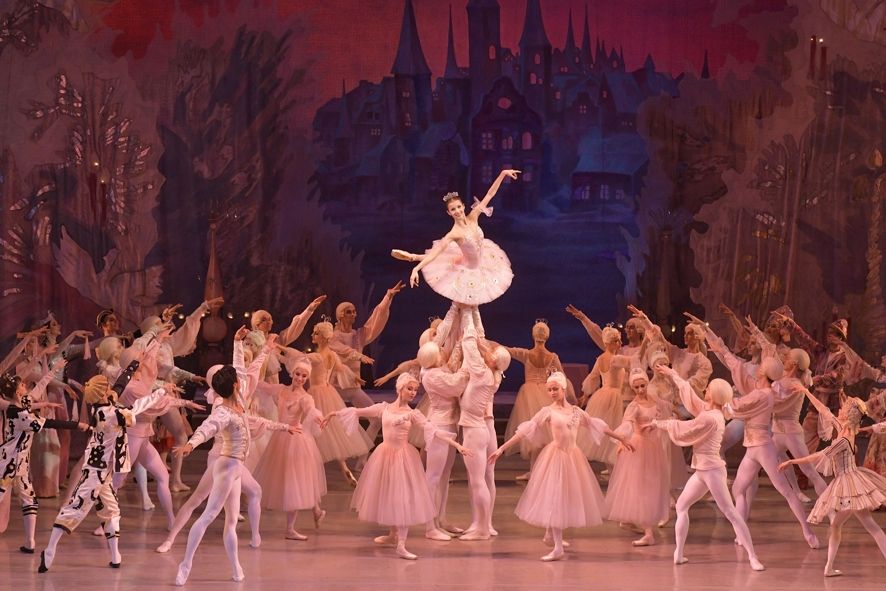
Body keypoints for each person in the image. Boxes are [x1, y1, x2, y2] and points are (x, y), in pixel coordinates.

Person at [38, 372, 188, 572]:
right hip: (94, 472)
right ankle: (49, 551)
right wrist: (160, 391)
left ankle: (116, 556)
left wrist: (138, 370)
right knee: (74, 510)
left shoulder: (104, 409)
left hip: (104, 473)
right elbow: (137, 407)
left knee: (113, 513)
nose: (112, 389)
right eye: (107, 388)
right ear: (102, 394)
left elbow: (119, 387)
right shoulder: (111, 414)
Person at [173, 366, 298, 585]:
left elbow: (258, 419)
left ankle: (236, 568)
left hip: (236, 468)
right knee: (208, 516)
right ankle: (185, 565)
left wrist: (284, 426)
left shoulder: (238, 404)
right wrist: (191, 444)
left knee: (231, 520)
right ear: (235, 385)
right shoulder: (223, 411)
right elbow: (207, 427)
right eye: (237, 381)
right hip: (226, 467)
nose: (241, 381)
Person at [324, 373, 471, 560]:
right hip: (384, 455)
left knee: (402, 499)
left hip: (403, 458)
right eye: (409, 388)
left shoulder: (413, 413)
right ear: (399, 389)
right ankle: (393, 534)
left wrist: (457, 445)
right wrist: (332, 414)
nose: (412, 392)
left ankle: (401, 544)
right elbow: (357, 411)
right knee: (388, 495)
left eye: (415, 390)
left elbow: (432, 430)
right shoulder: (384, 408)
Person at [490, 372, 631, 561]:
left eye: (555, 389)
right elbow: (526, 430)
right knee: (555, 497)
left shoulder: (576, 411)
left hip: (573, 457)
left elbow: (597, 426)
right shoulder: (547, 411)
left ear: (563, 388)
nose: (552, 392)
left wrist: (620, 437)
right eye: (549, 390)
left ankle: (551, 534)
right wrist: (501, 448)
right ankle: (557, 547)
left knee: (564, 497)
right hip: (555, 456)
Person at [650, 366, 765, 571]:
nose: (706, 391)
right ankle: (679, 553)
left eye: (709, 389)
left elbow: (687, 428)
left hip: (712, 471)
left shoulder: (711, 417)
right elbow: (692, 397)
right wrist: (673, 374)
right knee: (682, 506)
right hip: (702, 471)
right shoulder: (709, 410)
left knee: (730, 512)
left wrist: (660, 423)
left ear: (714, 395)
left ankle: (753, 556)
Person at [782, 394, 886, 577]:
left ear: (847, 415)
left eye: (843, 409)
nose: (839, 410)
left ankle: (829, 567)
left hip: (851, 484)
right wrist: (806, 391)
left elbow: (818, 456)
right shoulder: (846, 430)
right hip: (852, 482)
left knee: (852, 525)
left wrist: (792, 461)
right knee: (852, 525)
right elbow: (824, 410)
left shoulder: (842, 441)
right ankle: (828, 567)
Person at [391, 169, 519, 308]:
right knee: (443, 260)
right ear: (449, 213)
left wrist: (503, 173)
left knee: (448, 259)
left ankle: (413, 256)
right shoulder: (454, 234)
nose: (457, 211)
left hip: (484, 260)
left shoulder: (474, 216)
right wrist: (416, 269)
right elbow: (435, 253)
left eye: (459, 207)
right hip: (468, 270)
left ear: (463, 206)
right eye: (453, 209)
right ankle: (414, 258)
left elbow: (490, 194)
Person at [0, 361, 87, 554]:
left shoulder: (22, 404)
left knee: (29, 500)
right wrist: (76, 425)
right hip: (6, 463)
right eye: (21, 385)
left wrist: (54, 371)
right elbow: (48, 422)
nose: (25, 385)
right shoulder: (19, 414)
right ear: (16, 392)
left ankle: (30, 542)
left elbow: (38, 390)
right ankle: (29, 541)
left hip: (20, 464)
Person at [251, 358, 326, 541]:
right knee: (284, 480)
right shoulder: (282, 389)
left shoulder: (306, 398)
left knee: (295, 482)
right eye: (298, 374)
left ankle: (291, 528)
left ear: (307, 378)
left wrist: (317, 417)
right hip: (281, 436)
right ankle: (315, 510)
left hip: (296, 439)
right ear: (292, 373)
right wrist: (247, 374)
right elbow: (263, 386)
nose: (300, 378)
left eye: (304, 376)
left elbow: (310, 411)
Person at [455, 306, 510, 541]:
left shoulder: (481, 371)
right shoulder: (494, 373)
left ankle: (483, 527)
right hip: (483, 426)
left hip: (477, 427)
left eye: (492, 351)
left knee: (479, 479)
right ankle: (482, 521)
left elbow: (470, 341)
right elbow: (481, 337)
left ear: (493, 360)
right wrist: (474, 308)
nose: (488, 348)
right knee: (483, 477)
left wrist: (465, 308)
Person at [329, 283, 404, 449]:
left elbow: (374, 322)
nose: (354, 314)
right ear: (340, 315)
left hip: (354, 387)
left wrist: (387, 297)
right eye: (349, 311)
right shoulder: (333, 337)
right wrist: (361, 356)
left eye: (354, 311)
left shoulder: (358, 336)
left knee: (377, 419)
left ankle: (362, 456)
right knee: (328, 423)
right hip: (335, 388)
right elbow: (345, 350)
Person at [605, 368, 672, 547]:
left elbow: (665, 413)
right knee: (639, 485)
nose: (640, 390)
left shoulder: (656, 401)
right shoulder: (634, 406)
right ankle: (648, 532)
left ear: (647, 383)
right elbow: (627, 424)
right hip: (638, 446)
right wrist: (620, 440)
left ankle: (634, 522)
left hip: (654, 447)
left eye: (642, 386)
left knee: (651, 484)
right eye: (636, 387)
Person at [502, 320, 571, 480]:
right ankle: (541, 470)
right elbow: (562, 376)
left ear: (534, 335)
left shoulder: (527, 354)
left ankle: (536, 470)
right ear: (547, 336)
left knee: (534, 433)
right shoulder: (552, 356)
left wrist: (482, 340)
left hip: (529, 394)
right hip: (546, 394)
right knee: (546, 434)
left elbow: (506, 350)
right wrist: (567, 396)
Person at [416, 341, 468, 540]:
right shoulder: (431, 375)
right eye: (439, 352)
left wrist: (460, 344)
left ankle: (440, 519)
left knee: (445, 476)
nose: (442, 353)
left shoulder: (438, 370)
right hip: (439, 427)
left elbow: (451, 361)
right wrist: (467, 370)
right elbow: (456, 386)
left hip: (449, 425)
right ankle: (430, 526)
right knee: (434, 476)